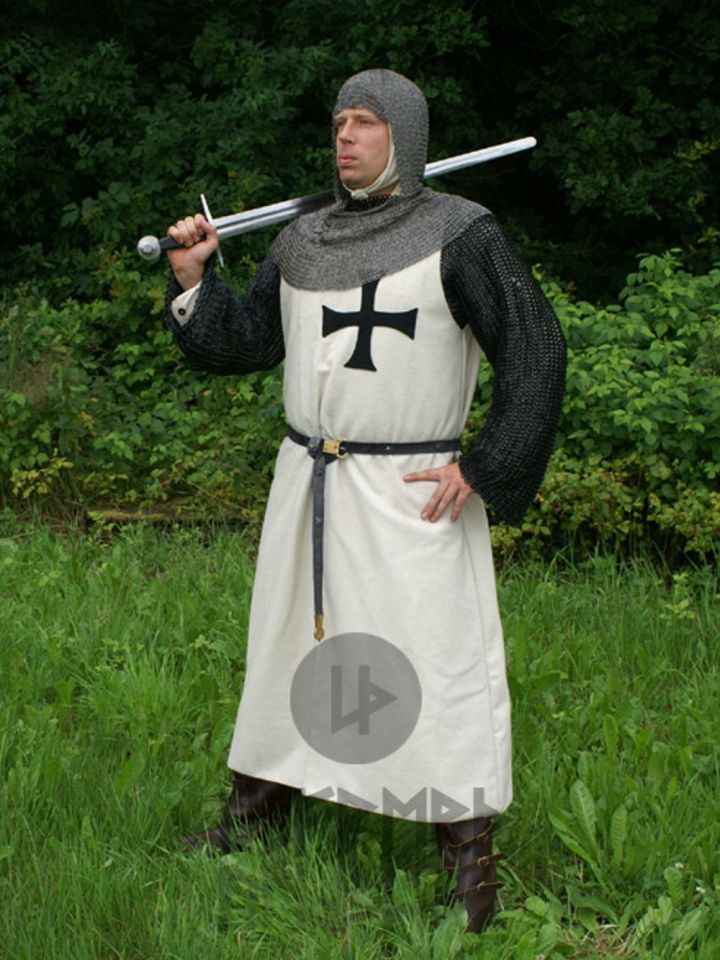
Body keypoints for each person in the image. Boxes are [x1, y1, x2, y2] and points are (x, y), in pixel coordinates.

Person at [163, 68, 566, 934]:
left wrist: (486, 466)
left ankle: (467, 857)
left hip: (410, 489)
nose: (346, 138)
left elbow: (535, 350)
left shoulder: (462, 236)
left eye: (365, 124)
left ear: (405, 137)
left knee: (432, 655)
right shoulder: (302, 242)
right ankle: (261, 807)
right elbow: (242, 345)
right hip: (309, 480)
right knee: (285, 647)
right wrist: (195, 280)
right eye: (340, 123)